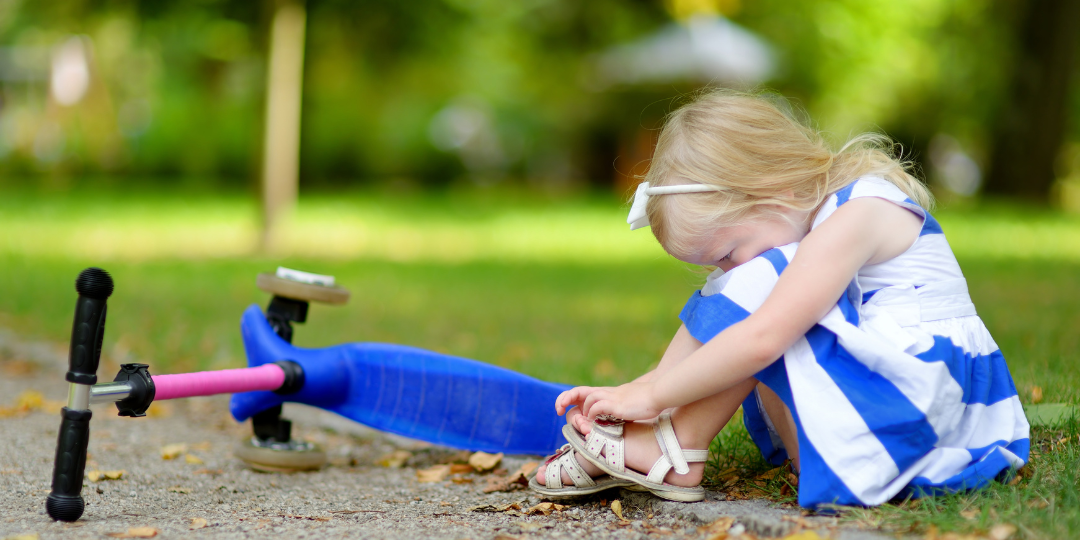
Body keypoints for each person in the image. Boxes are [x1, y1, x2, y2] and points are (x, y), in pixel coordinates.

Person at [529, 90, 1029, 508]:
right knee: (764, 281)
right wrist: (639, 391)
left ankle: (674, 442)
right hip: (884, 406)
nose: (727, 274)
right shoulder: (817, 218)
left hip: (921, 410)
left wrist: (653, 396)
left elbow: (764, 338)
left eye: (725, 254)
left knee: (768, 286)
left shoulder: (861, 210)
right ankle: (657, 434)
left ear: (773, 190)